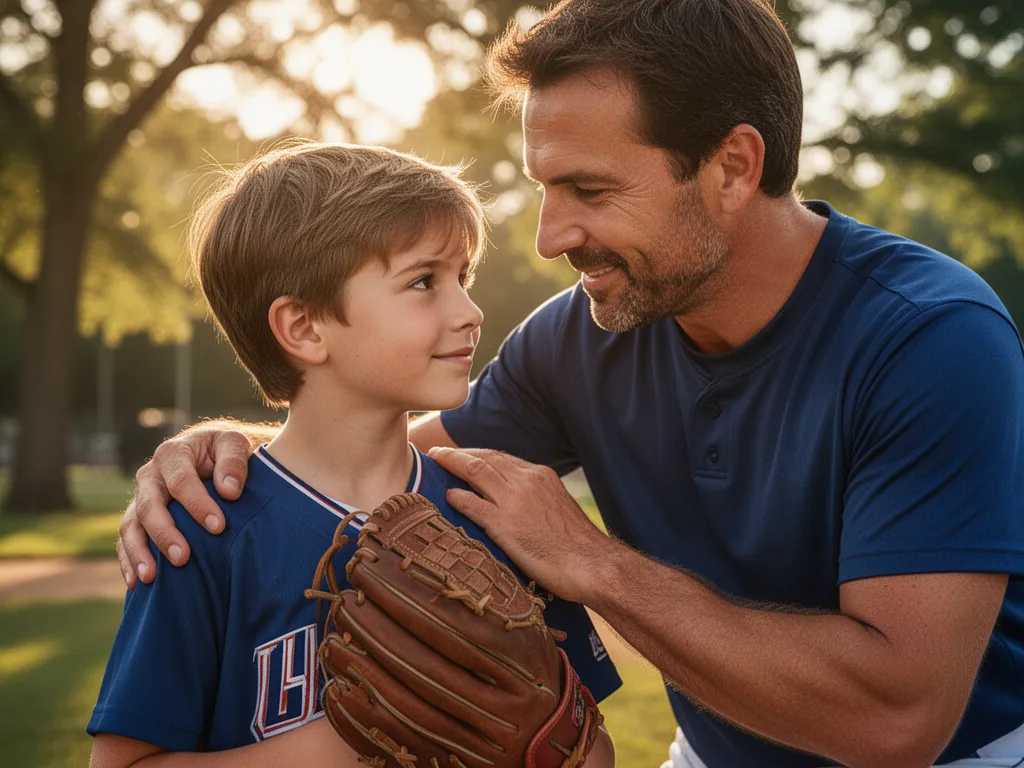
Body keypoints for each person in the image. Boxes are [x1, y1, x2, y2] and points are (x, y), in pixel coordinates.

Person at [116, 1, 1024, 766]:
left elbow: (899, 717)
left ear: (732, 168)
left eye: (590, 189)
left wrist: (592, 563)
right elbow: (386, 462)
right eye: (545, 188)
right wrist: (221, 454)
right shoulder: (581, 335)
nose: (551, 237)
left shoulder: (930, 337)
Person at [88, 142, 620, 767]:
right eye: (424, 281)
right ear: (305, 328)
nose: (470, 311)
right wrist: (363, 734)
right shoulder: (204, 528)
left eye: (462, 277)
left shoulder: (494, 510)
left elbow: (594, 752)